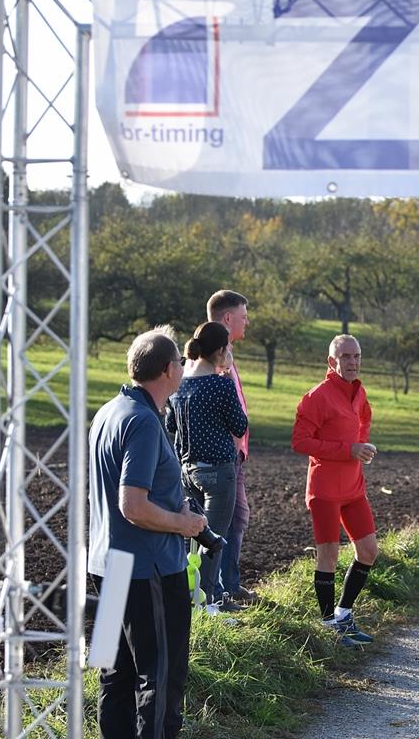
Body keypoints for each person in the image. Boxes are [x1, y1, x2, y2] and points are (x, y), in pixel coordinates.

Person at [88, 326, 209, 738]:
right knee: (160, 678)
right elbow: (133, 505)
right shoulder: (141, 421)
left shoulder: (108, 412)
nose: (183, 366)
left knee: (113, 675)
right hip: (148, 572)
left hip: (107, 566)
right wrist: (186, 524)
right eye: (179, 361)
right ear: (166, 370)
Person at [291, 334, 379, 646]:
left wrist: (362, 446)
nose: (353, 362)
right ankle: (328, 623)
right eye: (346, 357)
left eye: (356, 356)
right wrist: (348, 449)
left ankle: (343, 614)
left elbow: (364, 419)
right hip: (325, 490)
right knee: (327, 556)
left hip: (354, 488)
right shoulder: (317, 396)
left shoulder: (359, 391)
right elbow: (300, 441)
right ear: (332, 361)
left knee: (368, 551)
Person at [165, 321, 248, 610]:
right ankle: (209, 602)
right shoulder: (221, 385)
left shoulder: (179, 385)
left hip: (187, 471)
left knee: (191, 540)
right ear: (222, 350)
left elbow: (170, 425)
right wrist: (225, 374)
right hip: (218, 472)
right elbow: (240, 425)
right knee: (213, 541)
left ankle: (190, 599)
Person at [206, 289, 256, 605]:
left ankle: (228, 585)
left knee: (236, 518)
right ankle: (219, 591)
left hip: (233, 453)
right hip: (220, 454)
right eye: (243, 316)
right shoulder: (213, 355)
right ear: (228, 318)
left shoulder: (227, 352)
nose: (247, 321)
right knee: (224, 522)